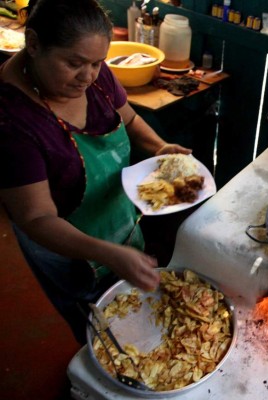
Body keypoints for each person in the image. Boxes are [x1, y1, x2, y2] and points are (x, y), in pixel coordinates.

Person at [0, 0, 191, 343]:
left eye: (96, 63)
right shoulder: (12, 123)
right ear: (33, 44)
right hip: (67, 251)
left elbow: (129, 119)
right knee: (96, 330)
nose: (88, 76)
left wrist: (160, 147)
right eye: (73, 63)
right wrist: (108, 254)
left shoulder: (96, 75)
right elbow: (37, 218)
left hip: (117, 226)